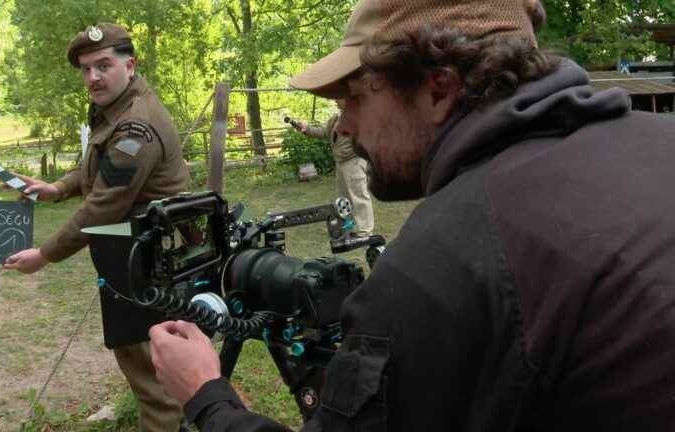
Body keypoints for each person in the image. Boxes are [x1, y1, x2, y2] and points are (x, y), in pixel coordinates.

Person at [147, 0, 675, 430]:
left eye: (354, 97)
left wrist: (207, 396)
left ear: (438, 88)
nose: (345, 126)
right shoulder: (662, 142)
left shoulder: (443, 263)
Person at [3, 23, 189, 431]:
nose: (93, 77)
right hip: (129, 250)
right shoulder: (117, 110)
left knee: (152, 373)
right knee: (143, 358)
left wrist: (45, 255)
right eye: (86, 69)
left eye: (103, 65)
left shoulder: (135, 125)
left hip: (143, 259)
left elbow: (104, 206)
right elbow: (99, 168)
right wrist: (58, 187)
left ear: (130, 65)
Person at [297, 100, 374, 236]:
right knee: (344, 198)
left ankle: (365, 230)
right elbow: (322, 132)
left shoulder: (359, 115)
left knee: (359, 195)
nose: (335, 100)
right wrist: (306, 129)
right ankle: (348, 225)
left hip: (354, 161)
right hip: (341, 162)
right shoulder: (336, 117)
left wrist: (357, 152)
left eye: (338, 97)